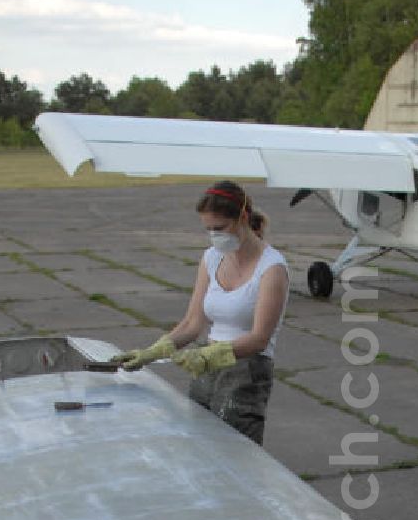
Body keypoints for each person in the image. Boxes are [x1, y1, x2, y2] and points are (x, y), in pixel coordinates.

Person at [113, 180, 289, 445]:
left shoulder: (272, 268)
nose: (214, 236)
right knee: (198, 441)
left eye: (219, 228)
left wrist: (208, 356)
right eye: (208, 230)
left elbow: (259, 338)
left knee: (235, 450)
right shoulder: (212, 257)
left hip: (247, 370)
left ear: (242, 217)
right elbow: (193, 323)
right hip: (208, 365)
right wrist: (152, 352)